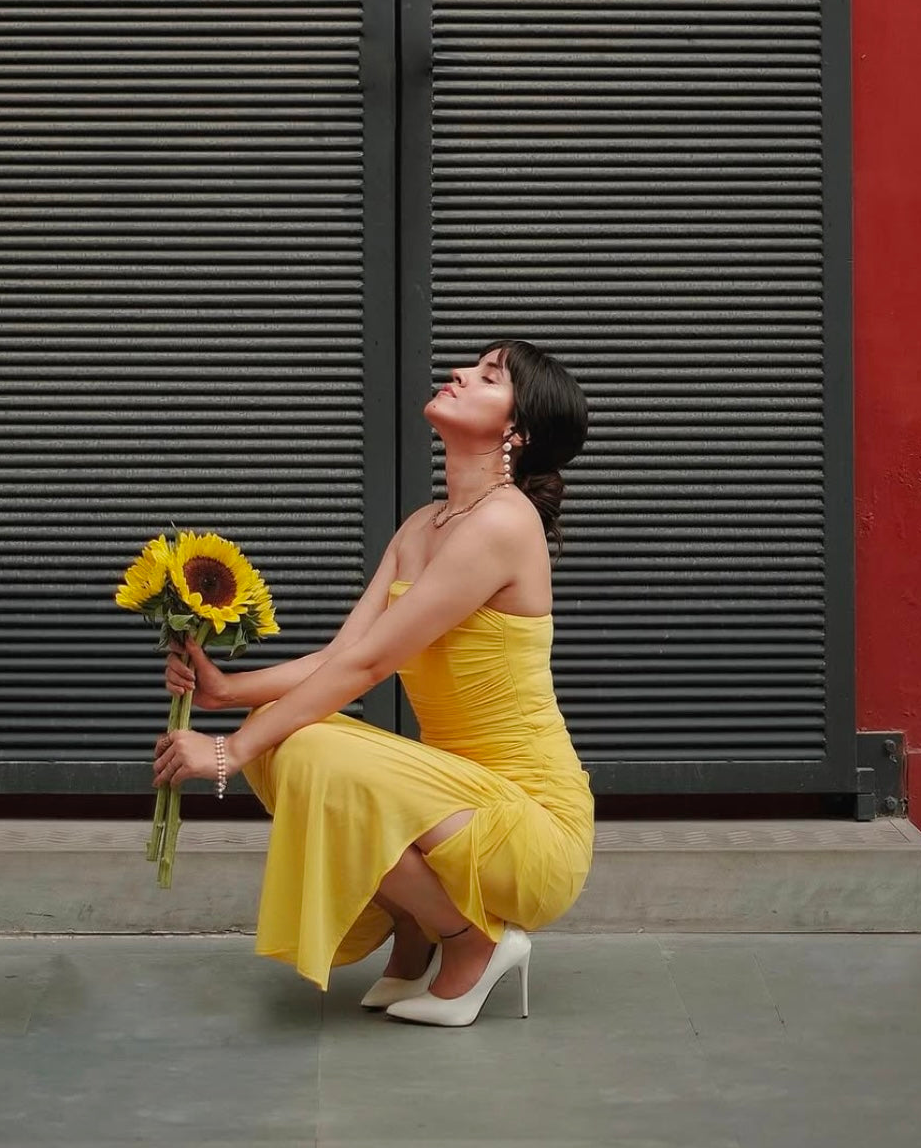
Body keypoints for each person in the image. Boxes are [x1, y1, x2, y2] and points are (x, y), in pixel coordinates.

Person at [152, 338, 594, 1027]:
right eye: (470, 364)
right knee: (278, 733)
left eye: (487, 376)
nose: (458, 371)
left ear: (517, 431)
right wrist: (227, 692)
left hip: (529, 826)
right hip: (454, 797)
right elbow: (345, 651)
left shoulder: (505, 522)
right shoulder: (425, 523)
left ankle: (469, 937)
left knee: (299, 745)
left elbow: (367, 669)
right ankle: (417, 929)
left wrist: (224, 752)